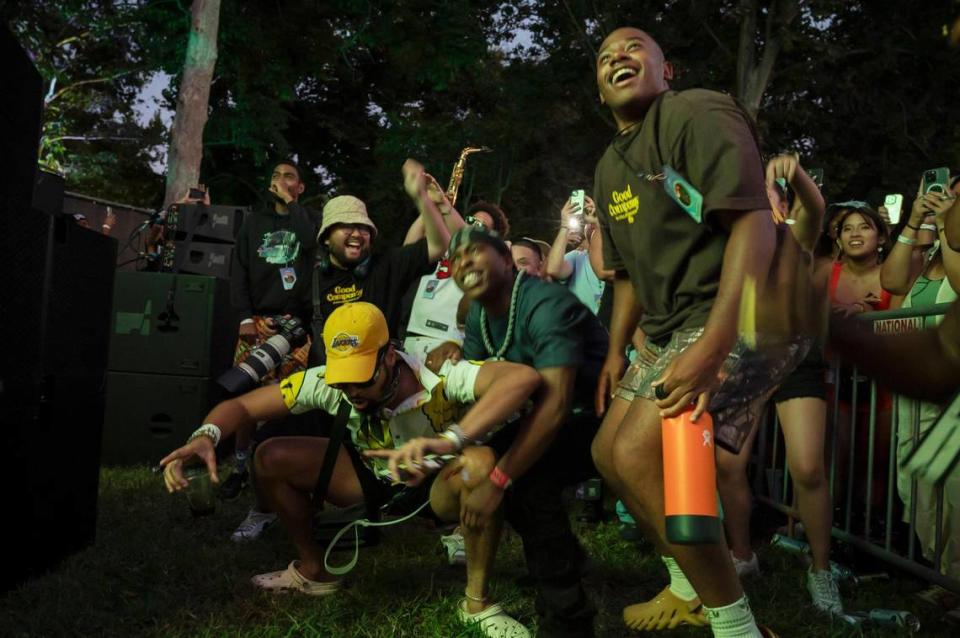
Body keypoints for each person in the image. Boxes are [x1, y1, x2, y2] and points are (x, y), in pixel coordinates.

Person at [590, 27, 809, 637]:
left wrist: (715, 346)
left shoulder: (694, 110)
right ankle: (689, 584)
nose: (617, 58)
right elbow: (627, 275)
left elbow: (753, 224)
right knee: (608, 453)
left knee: (638, 454)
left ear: (668, 68)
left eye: (634, 48)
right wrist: (614, 350)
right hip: (673, 325)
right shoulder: (610, 165)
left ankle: (736, 626)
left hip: (742, 312)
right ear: (598, 86)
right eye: (605, 57)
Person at [161, 302, 538, 638]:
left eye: (362, 377)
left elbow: (522, 379)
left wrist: (453, 440)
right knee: (270, 456)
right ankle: (314, 572)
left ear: (390, 356)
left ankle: (476, 603)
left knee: (480, 464)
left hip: (437, 483)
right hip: (371, 474)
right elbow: (243, 408)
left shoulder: (439, 374)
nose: (352, 391)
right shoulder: (333, 381)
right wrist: (206, 434)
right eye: (344, 379)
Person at [439, 224, 609, 637]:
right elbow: (488, 392)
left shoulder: (545, 303)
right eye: (456, 259)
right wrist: (451, 361)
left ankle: (567, 618)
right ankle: (564, 558)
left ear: (504, 259)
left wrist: (498, 479)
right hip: (553, 413)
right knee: (503, 465)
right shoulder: (481, 312)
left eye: (475, 252)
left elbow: (554, 406)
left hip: (602, 414)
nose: (464, 264)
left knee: (526, 479)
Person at [715, 153, 843, 614]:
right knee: (728, 466)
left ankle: (821, 569)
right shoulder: (729, 243)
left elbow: (816, 205)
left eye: (764, 192)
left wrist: (794, 172)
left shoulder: (795, 233)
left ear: (778, 202)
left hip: (794, 360)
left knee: (807, 468)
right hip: (746, 364)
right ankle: (742, 555)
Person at [222, 161, 318, 517]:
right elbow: (240, 270)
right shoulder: (253, 222)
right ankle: (241, 467)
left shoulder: (308, 220)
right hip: (258, 322)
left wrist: (292, 207)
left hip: (296, 325)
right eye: (276, 176)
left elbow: (310, 245)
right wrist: (244, 317)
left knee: (292, 400)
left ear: (300, 186)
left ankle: (284, 467)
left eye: (288, 176)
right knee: (246, 398)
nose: (279, 181)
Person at [880, 174, 960, 602]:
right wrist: (913, 222)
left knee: (955, 492)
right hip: (918, 393)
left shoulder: (953, 247)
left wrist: (950, 230)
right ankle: (942, 573)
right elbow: (891, 283)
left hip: (953, 396)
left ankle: (953, 582)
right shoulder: (927, 254)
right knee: (915, 485)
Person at [545, 193, 613, 314]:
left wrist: (599, 224)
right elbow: (553, 269)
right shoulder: (577, 258)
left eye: (598, 217)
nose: (592, 223)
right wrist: (565, 225)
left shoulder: (621, 258)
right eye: (588, 222)